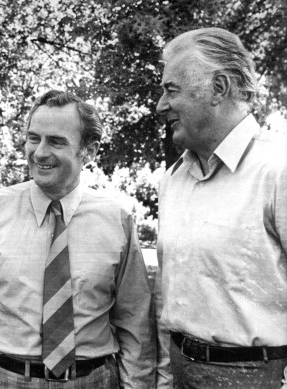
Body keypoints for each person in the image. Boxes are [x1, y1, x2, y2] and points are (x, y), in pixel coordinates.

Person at [0, 90, 156, 388]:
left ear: (90, 150)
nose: (40, 152)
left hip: (93, 381)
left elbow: (135, 323)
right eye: (34, 138)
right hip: (7, 380)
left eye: (56, 141)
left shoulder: (117, 221)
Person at [155, 27, 287, 388]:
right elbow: (170, 305)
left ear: (219, 88)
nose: (160, 105)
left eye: (171, 90)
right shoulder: (173, 179)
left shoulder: (278, 170)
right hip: (182, 371)